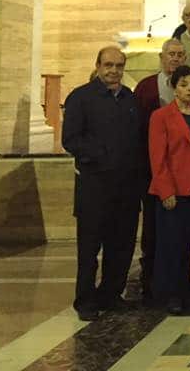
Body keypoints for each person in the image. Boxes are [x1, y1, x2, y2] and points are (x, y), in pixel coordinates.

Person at [62, 46, 145, 321]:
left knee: (120, 247)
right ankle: (85, 301)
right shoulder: (81, 98)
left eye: (119, 66)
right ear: (98, 66)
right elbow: (71, 140)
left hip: (126, 188)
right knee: (89, 250)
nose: (114, 71)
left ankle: (111, 295)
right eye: (108, 65)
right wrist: (103, 155)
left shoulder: (129, 99)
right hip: (95, 188)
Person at [148, 65, 190, 314]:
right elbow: (158, 157)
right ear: (174, 88)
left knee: (188, 243)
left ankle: (186, 290)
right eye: (184, 85)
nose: (189, 89)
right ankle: (169, 294)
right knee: (170, 245)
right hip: (173, 191)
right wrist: (166, 191)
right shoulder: (161, 116)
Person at [133, 39, 187, 300]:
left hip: (183, 169)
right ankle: (150, 278)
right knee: (153, 226)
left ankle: (177, 279)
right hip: (150, 167)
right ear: (162, 57)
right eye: (171, 55)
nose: (175, 59)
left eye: (179, 55)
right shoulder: (146, 87)